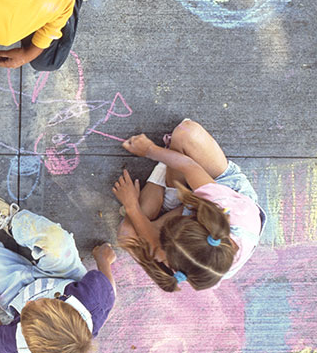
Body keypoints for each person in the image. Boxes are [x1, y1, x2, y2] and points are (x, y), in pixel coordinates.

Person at [0, 197, 116, 353]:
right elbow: (109, 290)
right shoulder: (92, 302)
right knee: (57, 241)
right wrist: (104, 260)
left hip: (16, 292)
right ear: (65, 304)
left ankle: (4, 255)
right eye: (41, 304)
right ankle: (13, 222)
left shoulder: (22, 347)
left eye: (28, 312)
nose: (30, 302)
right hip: (63, 276)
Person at [113, 119, 266, 291]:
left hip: (196, 219)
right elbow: (189, 167)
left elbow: (154, 246)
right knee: (186, 132)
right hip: (225, 190)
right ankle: (169, 179)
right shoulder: (224, 206)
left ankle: (168, 183)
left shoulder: (195, 267)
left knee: (127, 235)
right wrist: (149, 149)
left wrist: (132, 206)